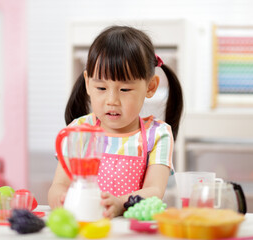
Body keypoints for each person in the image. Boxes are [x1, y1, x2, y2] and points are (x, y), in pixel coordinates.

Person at [48, 25, 183, 218]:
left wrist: (120, 203)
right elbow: (59, 184)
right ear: (88, 83)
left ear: (150, 87)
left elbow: (154, 190)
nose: (112, 100)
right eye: (101, 88)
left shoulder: (158, 135)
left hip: (130, 230)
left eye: (125, 90)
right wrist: (60, 198)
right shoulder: (79, 131)